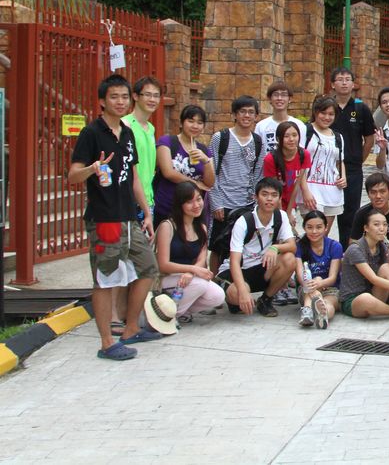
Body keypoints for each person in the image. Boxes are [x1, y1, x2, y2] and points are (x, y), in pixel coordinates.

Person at [69, 74, 161, 360]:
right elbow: (73, 175)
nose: (120, 102)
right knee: (106, 279)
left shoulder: (127, 132)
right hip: (105, 219)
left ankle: (131, 328)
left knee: (148, 268)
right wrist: (92, 168)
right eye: (114, 97)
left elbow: (133, 177)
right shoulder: (91, 133)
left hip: (129, 217)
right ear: (102, 101)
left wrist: (146, 212)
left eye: (123, 97)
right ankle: (107, 342)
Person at [216, 177, 297, 317]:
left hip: (263, 266)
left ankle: (265, 300)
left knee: (289, 259)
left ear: (279, 199)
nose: (269, 199)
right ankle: (234, 299)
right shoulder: (244, 221)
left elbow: (292, 246)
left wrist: (275, 248)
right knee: (237, 295)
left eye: (274, 195)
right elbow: (234, 261)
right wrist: (242, 292)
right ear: (256, 197)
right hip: (239, 269)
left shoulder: (281, 216)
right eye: (265, 194)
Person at [154, 181, 224, 323]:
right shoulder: (167, 226)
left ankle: (179, 312)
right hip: (166, 278)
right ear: (180, 204)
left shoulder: (202, 228)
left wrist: (191, 273)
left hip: (188, 277)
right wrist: (192, 270)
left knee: (218, 296)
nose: (196, 205)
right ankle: (165, 315)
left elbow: (202, 259)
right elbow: (163, 265)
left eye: (198, 199)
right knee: (200, 284)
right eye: (189, 202)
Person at [208, 95, 263, 274]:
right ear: (234, 114)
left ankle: (233, 280)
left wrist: (255, 201)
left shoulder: (258, 142)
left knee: (240, 246)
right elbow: (212, 171)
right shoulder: (220, 138)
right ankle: (214, 280)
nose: (246, 116)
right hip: (223, 202)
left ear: (256, 116)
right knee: (217, 246)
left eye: (251, 112)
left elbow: (258, 173)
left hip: (246, 204)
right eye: (242, 112)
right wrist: (216, 203)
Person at [328, 67, 375, 245]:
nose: (344, 83)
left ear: (353, 84)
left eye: (348, 79)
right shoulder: (326, 107)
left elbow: (369, 139)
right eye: (340, 79)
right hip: (328, 168)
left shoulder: (361, 108)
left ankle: (347, 254)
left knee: (350, 215)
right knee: (325, 212)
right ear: (333, 84)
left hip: (353, 169)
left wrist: (358, 160)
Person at [153, 105, 214, 229]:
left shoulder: (204, 150)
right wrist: (195, 183)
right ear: (181, 123)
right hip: (166, 206)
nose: (195, 126)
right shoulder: (167, 142)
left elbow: (209, 183)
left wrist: (206, 161)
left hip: (193, 211)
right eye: (190, 121)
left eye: (199, 123)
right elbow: (168, 172)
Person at [303, 95, 347, 236]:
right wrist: (305, 191)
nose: (327, 117)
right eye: (323, 113)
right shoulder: (305, 131)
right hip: (311, 190)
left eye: (331, 114)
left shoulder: (338, 137)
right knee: (314, 233)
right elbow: (299, 163)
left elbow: (339, 161)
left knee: (324, 235)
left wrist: (344, 177)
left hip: (332, 191)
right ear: (316, 112)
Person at [293, 210, 343, 329]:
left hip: (331, 288)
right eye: (310, 227)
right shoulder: (299, 246)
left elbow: (332, 278)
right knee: (316, 280)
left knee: (328, 304)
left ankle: (318, 315)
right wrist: (313, 285)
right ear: (304, 228)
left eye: (319, 227)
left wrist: (320, 283)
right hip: (306, 289)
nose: (314, 231)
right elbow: (300, 275)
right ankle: (309, 309)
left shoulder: (334, 246)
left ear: (326, 227)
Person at [122, 76, 162, 214]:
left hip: (148, 199)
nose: (152, 99)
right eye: (148, 95)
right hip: (130, 200)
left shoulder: (151, 128)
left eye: (156, 96)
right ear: (135, 96)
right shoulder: (125, 125)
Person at [262, 121, 313, 221]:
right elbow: (274, 189)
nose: (291, 139)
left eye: (294, 135)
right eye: (286, 136)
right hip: (274, 201)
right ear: (278, 139)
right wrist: (282, 215)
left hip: (291, 201)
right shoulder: (271, 159)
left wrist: (289, 212)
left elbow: (297, 184)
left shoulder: (304, 154)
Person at [253, 81, 304, 153]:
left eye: (283, 95)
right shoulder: (261, 126)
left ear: (290, 99)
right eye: (276, 95)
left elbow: (301, 152)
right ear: (270, 99)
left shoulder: (299, 125)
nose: (279, 98)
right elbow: (257, 152)